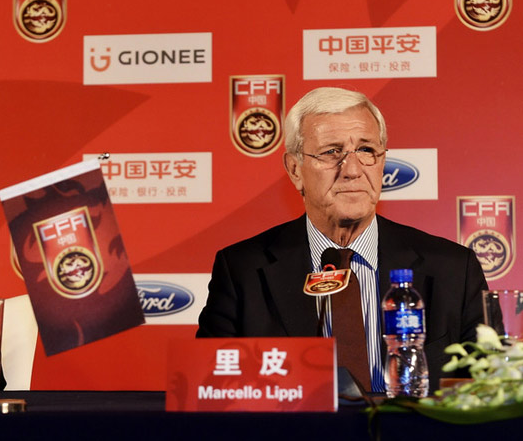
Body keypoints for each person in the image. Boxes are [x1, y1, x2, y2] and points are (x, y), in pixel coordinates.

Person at [196, 87, 487, 391]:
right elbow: (212, 391)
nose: (352, 170)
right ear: (295, 170)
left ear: (382, 160)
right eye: (331, 152)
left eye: (366, 150)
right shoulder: (242, 271)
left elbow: (489, 395)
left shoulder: (454, 269)